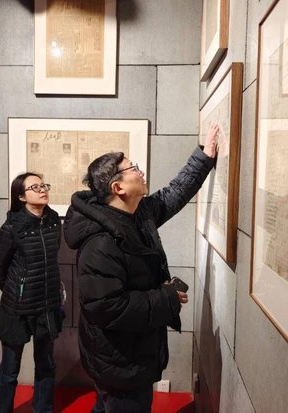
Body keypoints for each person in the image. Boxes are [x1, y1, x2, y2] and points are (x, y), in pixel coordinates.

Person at [63, 125, 219, 412]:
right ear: (118, 188)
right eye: (132, 168)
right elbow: (106, 307)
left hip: (128, 353)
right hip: (119, 360)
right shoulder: (100, 243)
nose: (140, 171)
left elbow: (173, 194)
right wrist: (167, 298)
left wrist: (205, 156)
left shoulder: (137, 213)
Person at [0, 172, 64, 413]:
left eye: (43, 185)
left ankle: (43, 409)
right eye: (35, 187)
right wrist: (15, 290)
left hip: (47, 305)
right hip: (17, 309)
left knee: (46, 366)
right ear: (21, 196)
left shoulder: (53, 221)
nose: (42, 190)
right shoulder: (11, 227)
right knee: (10, 369)